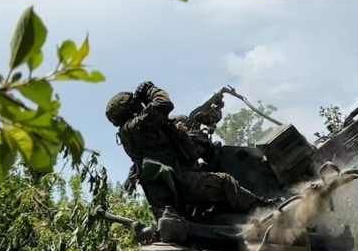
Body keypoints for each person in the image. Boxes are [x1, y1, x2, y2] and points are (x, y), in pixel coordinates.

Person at [105, 81, 273, 214]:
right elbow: (163, 104)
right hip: (181, 183)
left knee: (209, 166)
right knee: (224, 181)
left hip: (173, 186)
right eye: (135, 103)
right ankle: (263, 208)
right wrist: (150, 89)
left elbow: (171, 142)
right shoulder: (137, 126)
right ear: (130, 109)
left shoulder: (133, 133)